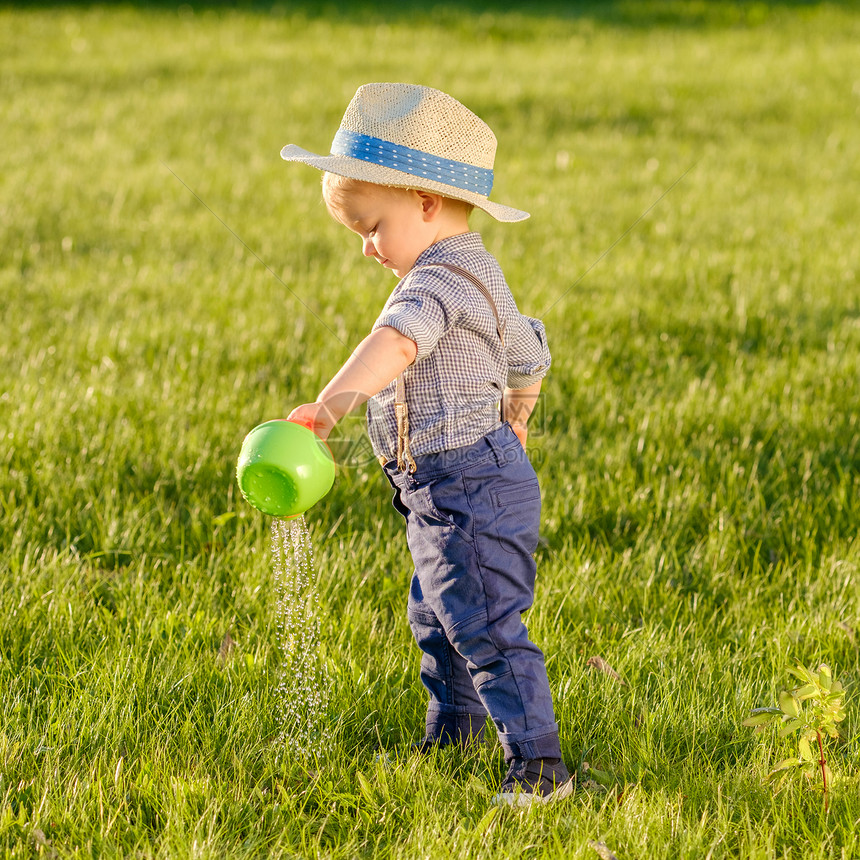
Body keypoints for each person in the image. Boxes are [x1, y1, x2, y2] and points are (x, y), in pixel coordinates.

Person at [281, 82, 571, 804]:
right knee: (440, 612)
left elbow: (396, 345)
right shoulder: (481, 271)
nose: (366, 249)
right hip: (452, 484)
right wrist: (520, 408)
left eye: (371, 227)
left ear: (425, 203)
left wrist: (328, 408)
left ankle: (539, 769)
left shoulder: (433, 284)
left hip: (465, 482)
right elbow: (528, 346)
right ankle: (456, 726)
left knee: (488, 628)